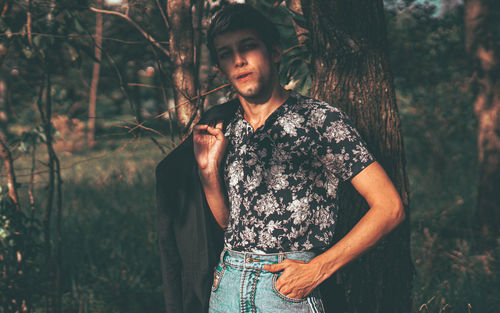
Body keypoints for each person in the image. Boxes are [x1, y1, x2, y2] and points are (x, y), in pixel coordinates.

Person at [192, 4, 405, 313]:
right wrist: (209, 174)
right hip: (226, 285)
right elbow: (235, 227)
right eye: (226, 53)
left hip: (285, 291)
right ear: (221, 67)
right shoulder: (228, 128)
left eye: (248, 47)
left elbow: (390, 207)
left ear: (275, 52)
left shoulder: (320, 120)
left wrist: (318, 269)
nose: (238, 60)